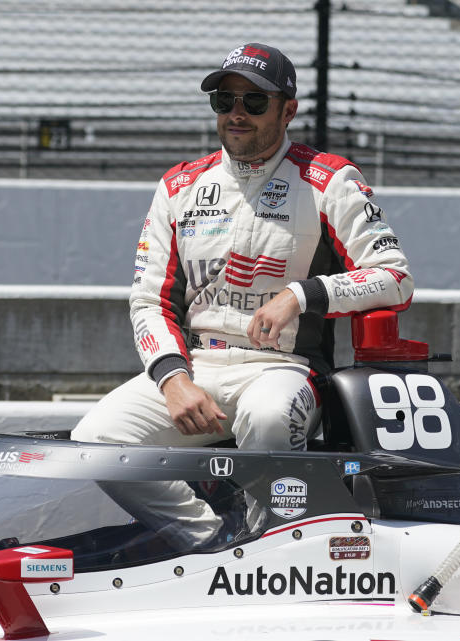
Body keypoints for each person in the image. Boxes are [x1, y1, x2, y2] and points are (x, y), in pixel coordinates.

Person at [72, 42, 413, 550]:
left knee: (269, 416)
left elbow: (394, 277)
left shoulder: (329, 180)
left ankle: (269, 548)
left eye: (254, 102)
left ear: (288, 110)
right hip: (196, 369)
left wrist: (301, 294)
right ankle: (212, 544)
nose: (236, 114)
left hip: (285, 369)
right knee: (95, 441)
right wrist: (173, 380)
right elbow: (150, 301)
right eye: (224, 100)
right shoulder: (179, 185)